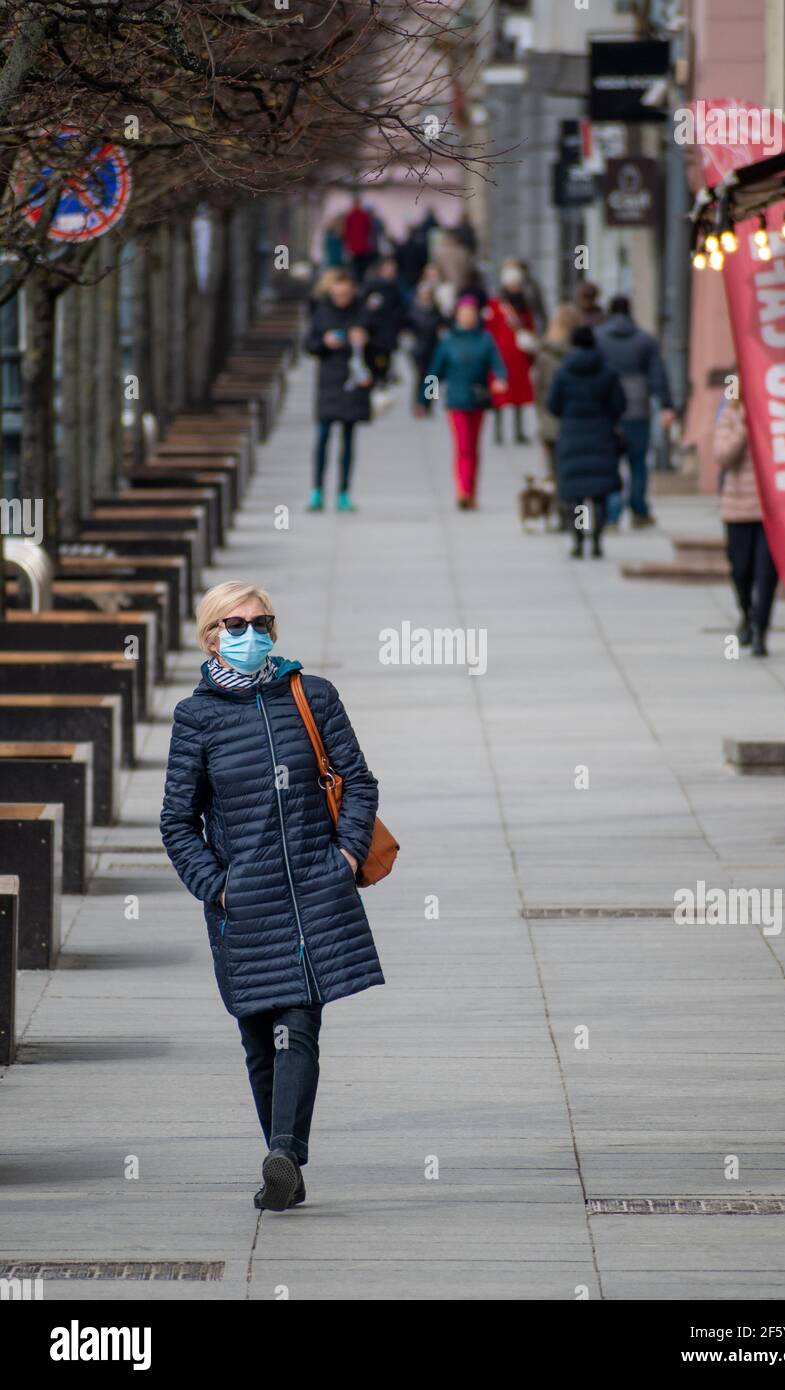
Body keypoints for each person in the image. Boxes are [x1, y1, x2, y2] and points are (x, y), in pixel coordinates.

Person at [160, 580, 384, 1212]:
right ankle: (282, 1162)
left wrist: (344, 855)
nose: (252, 633)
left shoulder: (312, 696)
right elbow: (178, 821)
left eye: (261, 622)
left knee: (298, 1026)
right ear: (211, 638)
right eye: (236, 625)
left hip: (315, 894)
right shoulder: (196, 718)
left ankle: (284, 1152)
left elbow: (358, 781)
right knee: (260, 1039)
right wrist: (216, 886)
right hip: (244, 906)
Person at [594, 295, 675, 528]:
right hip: (638, 407)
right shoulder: (645, 340)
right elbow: (657, 374)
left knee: (609, 461)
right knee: (638, 461)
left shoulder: (600, 339)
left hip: (608, 409)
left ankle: (611, 513)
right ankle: (639, 510)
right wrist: (667, 404)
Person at [547, 325, 626, 558]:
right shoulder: (608, 372)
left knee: (578, 497)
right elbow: (619, 405)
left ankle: (579, 541)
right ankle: (597, 541)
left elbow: (553, 405)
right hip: (601, 436)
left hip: (572, 437)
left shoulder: (563, 372)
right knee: (599, 494)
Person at [303, 269, 376, 512]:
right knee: (323, 437)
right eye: (338, 294)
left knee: (348, 439)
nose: (342, 298)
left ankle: (344, 492)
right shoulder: (322, 313)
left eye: (346, 294)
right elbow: (309, 345)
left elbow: (382, 347)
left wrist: (365, 341)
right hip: (329, 382)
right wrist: (324, 343)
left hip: (353, 383)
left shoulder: (362, 313)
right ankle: (317, 491)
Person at [714, 395, 777, 657]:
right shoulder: (730, 411)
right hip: (738, 507)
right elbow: (722, 456)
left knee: (767, 574)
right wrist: (744, 427)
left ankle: (760, 629)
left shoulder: (780, 412)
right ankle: (746, 613)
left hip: (772, 511)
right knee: (741, 570)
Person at [429, 295, 507, 509]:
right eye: (463, 314)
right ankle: (462, 491)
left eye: (470, 314)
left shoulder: (485, 339)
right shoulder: (448, 341)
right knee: (463, 447)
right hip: (456, 400)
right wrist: (427, 400)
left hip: (478, 399)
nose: (467, 318)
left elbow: (497, 364)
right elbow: (434, 372)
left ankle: (472, 492)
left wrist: (501, 379)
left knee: (474, 447)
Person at [484, 260, 537, 445]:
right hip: (501, 355)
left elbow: (530, 326)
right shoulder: (496, 304)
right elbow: (489, 329)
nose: (515, 288)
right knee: (500, 393)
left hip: (520, 356)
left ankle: (518, 431)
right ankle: (498, 432)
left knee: (519, 395)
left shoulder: (524, 304)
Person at [532, 304, 580, 483]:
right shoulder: (583, 352)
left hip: (551, 418)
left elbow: (539, 390)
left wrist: (541, 419)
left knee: (555, 469)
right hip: (576, 419)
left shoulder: (545, 354)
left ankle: (561, 504)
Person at [362, 255, 406, 386]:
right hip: (376, 337)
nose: (392, 271)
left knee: (384, 364)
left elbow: (401, 309)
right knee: (378, 365)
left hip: (388, 335)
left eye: (394, 268)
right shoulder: (373, 287)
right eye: (389, 268)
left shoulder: (395, 287)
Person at [405, 280, 446, 417]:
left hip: (434, 347)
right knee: (421, 377)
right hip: (418, 348)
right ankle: (418, 404)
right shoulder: (413, 309)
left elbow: (444, 323)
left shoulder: (435, 310)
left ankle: (428, 404)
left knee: (433, 378)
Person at [343, 195, 376, 282]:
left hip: (359, 247)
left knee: (357, 268)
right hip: (359, 247)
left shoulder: (353, 216)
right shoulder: (360, 216)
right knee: (359, 268)